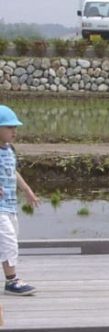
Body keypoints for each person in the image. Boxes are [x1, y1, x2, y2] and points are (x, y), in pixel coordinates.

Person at [0, 105, 40, 296]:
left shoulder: (9, 150)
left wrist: (27, 190)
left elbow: (13, 172)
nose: (14, 132)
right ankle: (12, 281)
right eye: (9, 128)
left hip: (9, 205)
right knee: (8, 241)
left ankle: (11, 279)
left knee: (9, 240)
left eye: (15, 128)